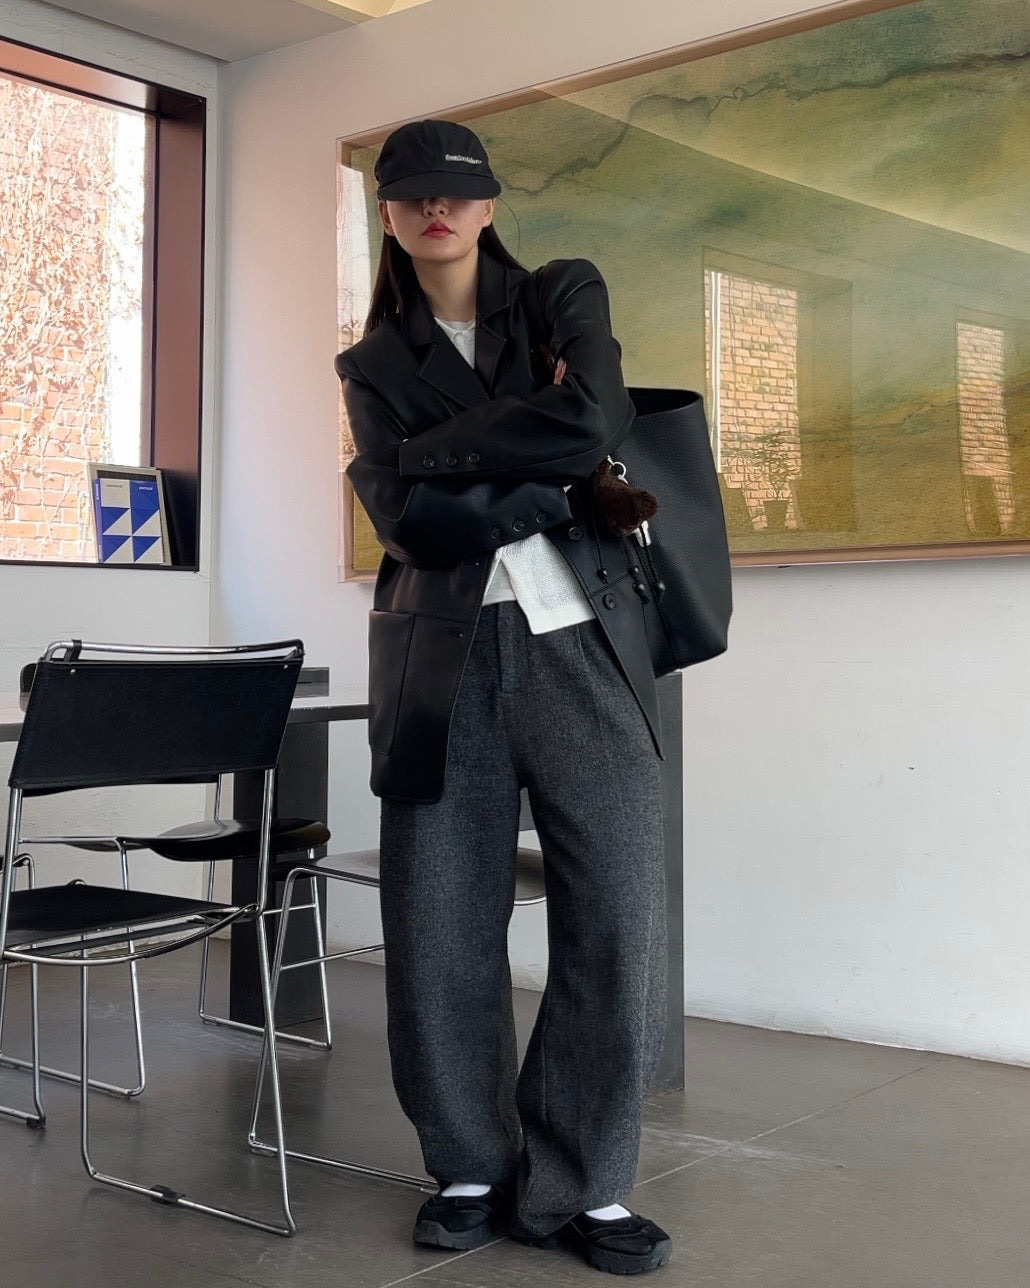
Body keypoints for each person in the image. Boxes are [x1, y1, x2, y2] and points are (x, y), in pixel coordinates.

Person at [335, 118, 671, 1276]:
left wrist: (440, 452)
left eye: (457, 191)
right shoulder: (370, 366)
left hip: (583, 644)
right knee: (438, 922)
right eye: (413, 194)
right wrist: (542, 474)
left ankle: (586, 1183)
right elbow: (407, 523)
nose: (437, 209)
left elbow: (595, 420)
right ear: (388, 214)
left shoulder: (560, 294)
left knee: (615, 912)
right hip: (442, 659)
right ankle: (470, 1166)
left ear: (486, 204)